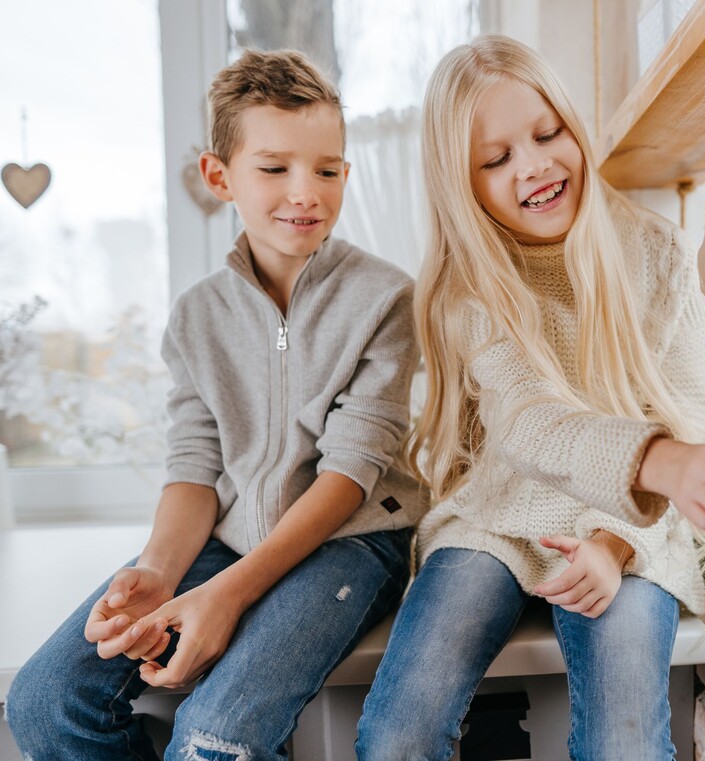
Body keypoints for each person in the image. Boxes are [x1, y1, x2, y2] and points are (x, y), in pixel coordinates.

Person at [354, 35, 705, 761]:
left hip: (634, 525)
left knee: (624, 743)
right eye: (496, 160)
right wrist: (666, 463)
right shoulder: (467, 289)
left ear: (573, 124)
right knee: (396, 734)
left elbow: (688, 414)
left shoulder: (658, 252)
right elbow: (531, 425)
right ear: (460, 183)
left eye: (547, 133)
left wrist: (614, 541)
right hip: (499, 515)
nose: (533, 166)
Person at [6, 48, 423, 761]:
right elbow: (193, 468)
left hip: (348, 540)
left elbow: (349, 473)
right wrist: (161, 574)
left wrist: (225, 596)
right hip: (226, 540)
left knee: (213, 737)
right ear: (218, 175)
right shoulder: (195, 317)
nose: (306, 192)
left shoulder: (385, 297)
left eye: (327, 169)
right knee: (44, 703)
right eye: (274, 168)